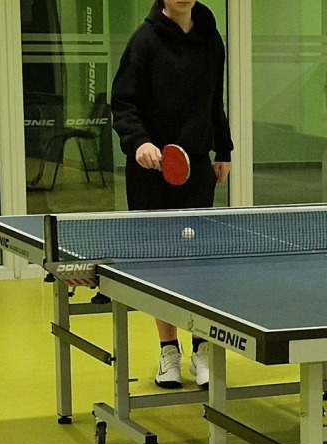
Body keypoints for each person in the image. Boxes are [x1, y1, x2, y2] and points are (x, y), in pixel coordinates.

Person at [111, 0, 233, 389]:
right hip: (151, 170)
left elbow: (214, 101)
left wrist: (223, 149)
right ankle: (168, 350)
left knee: (200, 263)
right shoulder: (144, 40)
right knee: (159, 263)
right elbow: (123, 104)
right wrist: (139, 142)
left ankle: (201, 348)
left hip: (195, 167)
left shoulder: (211, 39)